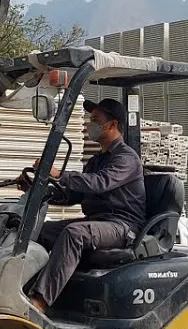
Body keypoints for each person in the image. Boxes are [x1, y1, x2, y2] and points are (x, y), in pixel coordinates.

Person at [26, 97, 145, 313]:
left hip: (121, 225)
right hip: (98, 222)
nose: (90, 125)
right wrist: (35, 190)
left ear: (112, 124)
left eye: (95, 120)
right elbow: (74, 195)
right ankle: (23, 288)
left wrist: (59, 174)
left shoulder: (126, 158)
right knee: (42, 230)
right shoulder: (96, 160)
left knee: (75, 233)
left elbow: (100, 183)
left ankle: (39, 302)